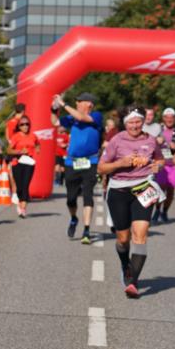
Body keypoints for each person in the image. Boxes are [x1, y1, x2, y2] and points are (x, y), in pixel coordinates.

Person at [98, 105, 164, 299]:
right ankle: (125, 264)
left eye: (138, 121)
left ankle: (133, 282)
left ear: (143, 122)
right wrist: (121, 163)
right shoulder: (116, 140)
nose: (135, 125)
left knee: (141, 234)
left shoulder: (151, 140)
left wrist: (156, 166)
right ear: (125, 123)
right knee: (123, 239)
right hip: (119, 189)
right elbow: (102, 168)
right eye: (131, 122)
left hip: (144, 187)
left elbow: (160, 160)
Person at [53, 92, 103, 244]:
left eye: (79, 102)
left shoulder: (96, 115)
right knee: (71, 199)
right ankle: (74, 218)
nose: (76, 104)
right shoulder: (71, 118)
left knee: (88, 194)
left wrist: (63, 104)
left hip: (91, 161)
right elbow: (55, 123)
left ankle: (86, 230)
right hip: (72, 162)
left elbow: (82, 118)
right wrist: (53, 109)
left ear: (88, 104)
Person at [151, 107, 175, 224]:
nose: (169, 120)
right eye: (167, 117)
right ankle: (157, 210)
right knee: (160, 188)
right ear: (163, 118)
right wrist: (157, 141)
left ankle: (164, 211)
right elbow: (149, 143)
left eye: (172, 117)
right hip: (161, 163)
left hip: (174, 164)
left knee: (170, 191)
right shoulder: (157, 129)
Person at [6, 116, 40, 218]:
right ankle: (19, 200)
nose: (25, 126)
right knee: (19, 187)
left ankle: (23, 208)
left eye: (27, 124)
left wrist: (38, 149)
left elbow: (38, 143)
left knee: (25, 185)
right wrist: (19, 151)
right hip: (17, 162)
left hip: (29, 162)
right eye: (22, 124)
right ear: (19, 126)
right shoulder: (16, 137)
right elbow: (8, 150)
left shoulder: (33, 136)